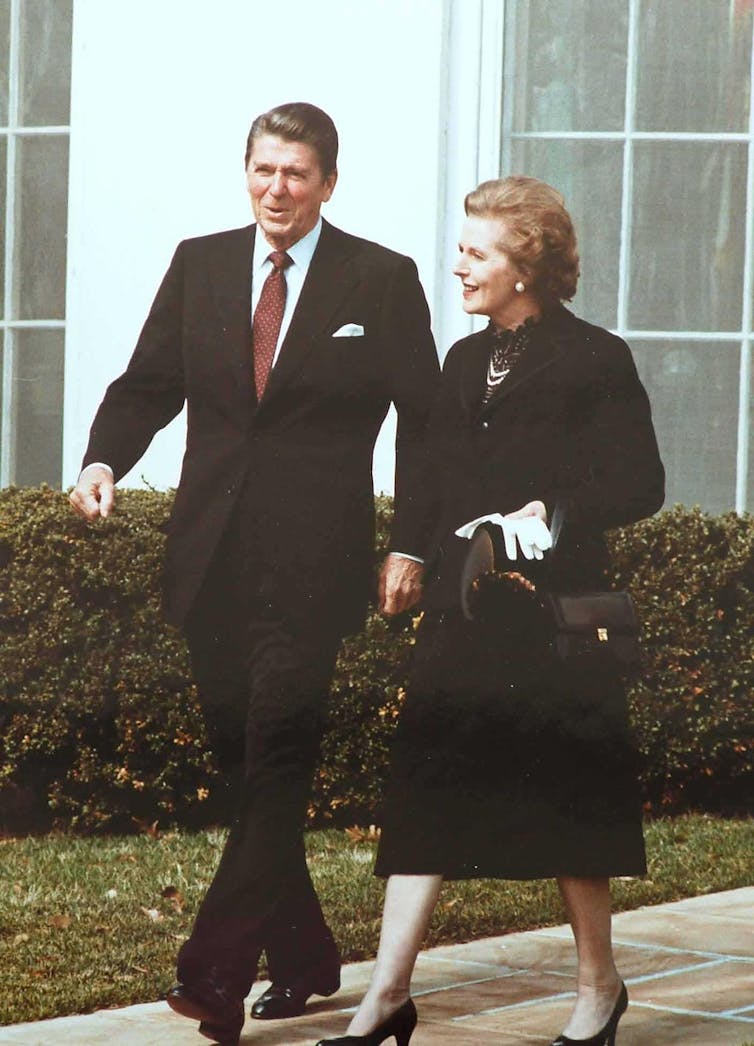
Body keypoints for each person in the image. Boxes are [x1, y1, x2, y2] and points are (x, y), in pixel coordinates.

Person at [69, 102, 439, 1045]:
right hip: (210, 567)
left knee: (276, 764)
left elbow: (428, 427)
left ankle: (215, 974)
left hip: (314, 574)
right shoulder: (200, 263)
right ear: (246, 171)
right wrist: (103, 459)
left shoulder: (381, 279)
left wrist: (412, 544)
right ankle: (310, 957)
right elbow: (148, 383)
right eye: (264, 170)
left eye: (298, 174)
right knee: (253, 778)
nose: (278, 190)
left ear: (329, 182)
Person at [315, 176, 665, 1046]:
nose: (459, 264)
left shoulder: (597, 358)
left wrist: (551, 509)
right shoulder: (463, 361)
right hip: (464, 612)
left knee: (571, 807)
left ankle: (599, 987)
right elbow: (432, 477)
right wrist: (409, 551)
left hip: (552, 622)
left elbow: (640, 483)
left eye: (477, 252)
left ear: (527, 265)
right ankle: (386, 996)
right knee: (423, 795)